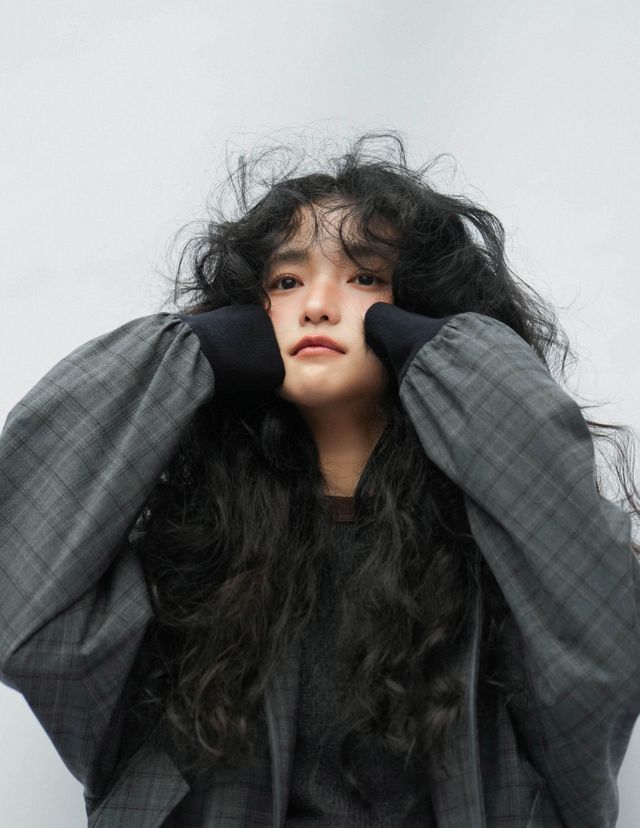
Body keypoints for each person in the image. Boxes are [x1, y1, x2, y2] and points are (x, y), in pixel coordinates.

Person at [1, 132, 639, 828]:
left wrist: (462, 360)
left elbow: (602, 650)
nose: (317, 305)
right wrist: (187, 350)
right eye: (285, 281)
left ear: (423, 311)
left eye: (365, 277)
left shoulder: (494, 555)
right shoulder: (192, 552)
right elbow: (21, 594)